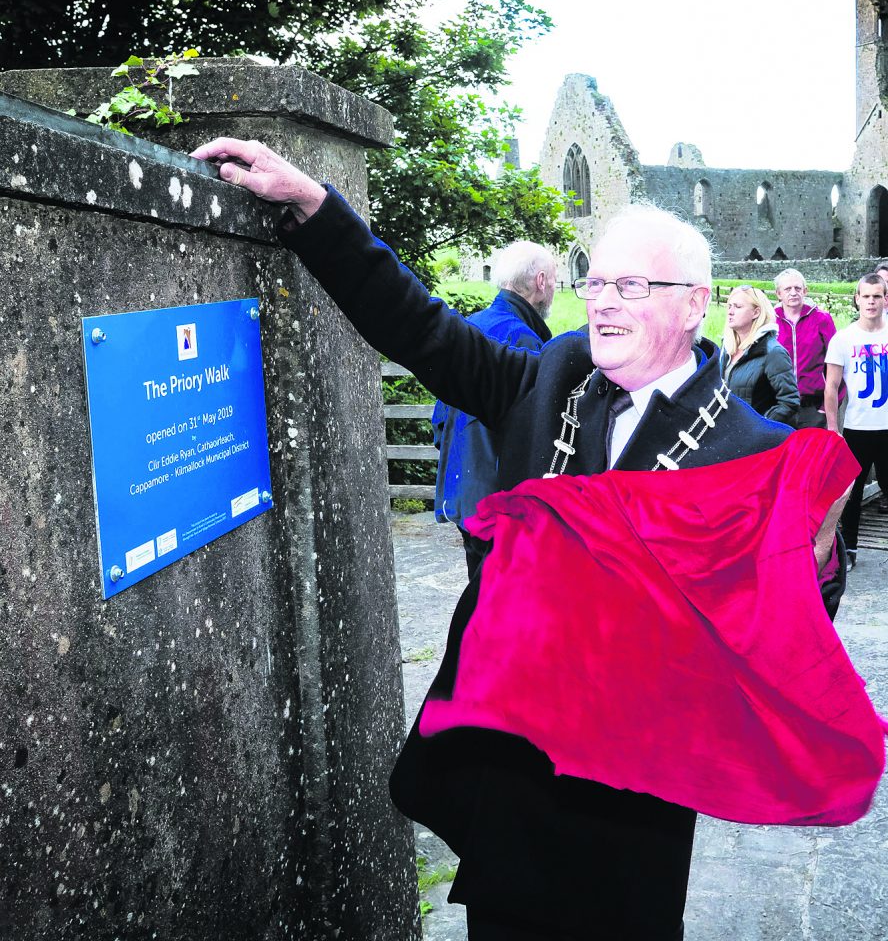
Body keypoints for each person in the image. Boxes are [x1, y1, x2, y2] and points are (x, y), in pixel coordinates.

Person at [190, 138, 850, 941]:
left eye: (631, 285)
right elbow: (424, 332)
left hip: (629, 799)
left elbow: (790, 626)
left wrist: (811, 565)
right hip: (511, 772)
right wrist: (318, 211)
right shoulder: (554, 377)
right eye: (595, 281)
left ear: (693, 303)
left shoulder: (750, 450)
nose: (602, 301)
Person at [432, 242, 556, 579]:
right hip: (500, 505)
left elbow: (440, 418)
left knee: (479, 593)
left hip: (464, 496)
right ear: (541, 281)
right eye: (555, 282)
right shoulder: (523, 339)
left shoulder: (470, 325)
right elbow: (534, 439)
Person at [825, 273, 888, 565]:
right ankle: (849, 549)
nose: (872, 302)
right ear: (857, 299)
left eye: (877, 296)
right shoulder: (844, 339)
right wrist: (832, 429)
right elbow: (832, 386)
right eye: (866, 296)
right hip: (857, 427)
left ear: (885, 299)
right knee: (851, 492)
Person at [719, 285, 799, 424]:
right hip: (727, 435)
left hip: (759, 441)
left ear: (756, 312)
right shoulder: (725, 349)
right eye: (729, 306)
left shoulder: (773, 352)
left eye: (738, 307)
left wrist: (759, 426)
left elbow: (789, 402)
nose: (730, 312)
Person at [774, 268, 839, 428]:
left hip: (813, 407)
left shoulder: (822, 319)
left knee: (814, 453)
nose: (793, 293)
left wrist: (826, 407)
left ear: (805, 290)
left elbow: (836, 364)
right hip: (779, 405)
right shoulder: (769, 321)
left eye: (797, 288)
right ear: (778, 294)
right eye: (787, 289)